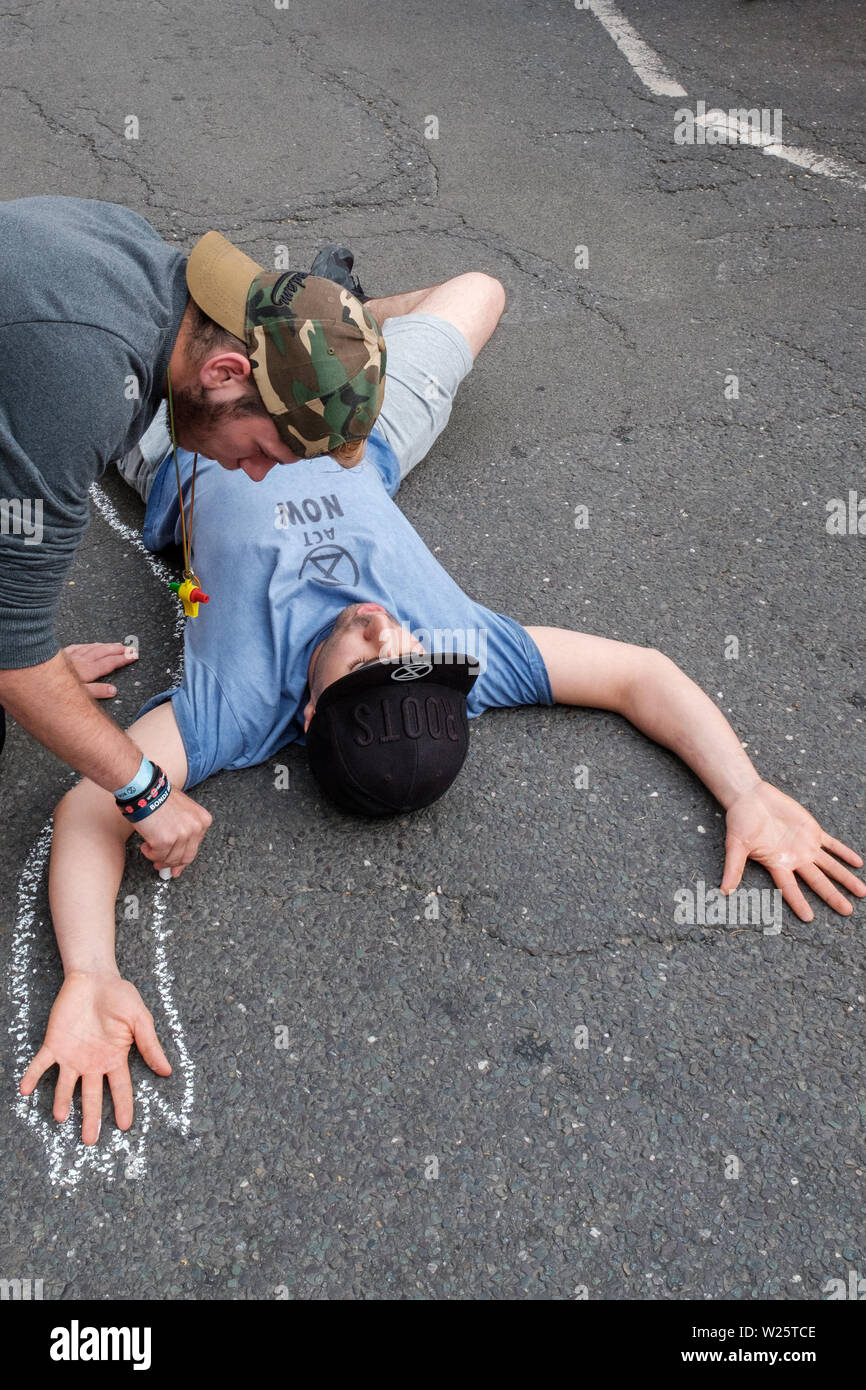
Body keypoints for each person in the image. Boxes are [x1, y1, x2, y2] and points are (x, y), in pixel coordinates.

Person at [20, 304, 864, 1144]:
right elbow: (640, 676)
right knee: (483, 290)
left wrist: (91, 972)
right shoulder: (459, 658)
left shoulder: (238, 705)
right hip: (362, 442)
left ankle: (317, 324)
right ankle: (348, 319)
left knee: (58, 366)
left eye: (365, 656)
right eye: (406, 650)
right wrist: (744, 789)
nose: (383, 624)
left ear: (309, 712)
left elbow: (91, 806)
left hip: (197, 451)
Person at [0, 196, 385, 869]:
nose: (258, 474)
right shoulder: (85, 375)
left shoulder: (140, 273)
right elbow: (11, 655)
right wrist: (143, 789)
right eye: (265, 448)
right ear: (226, 374)